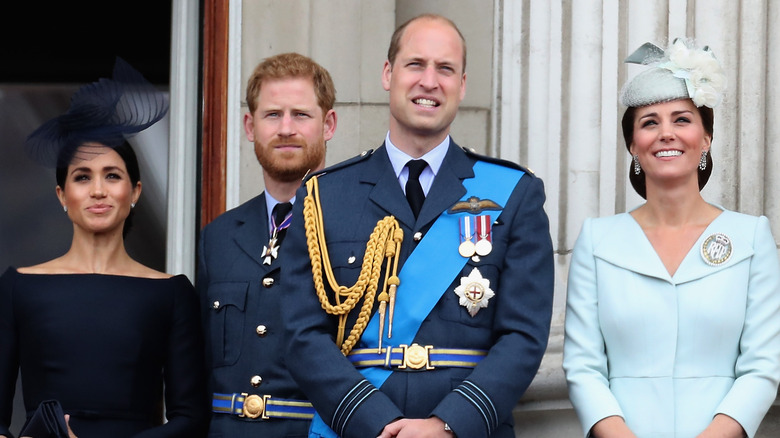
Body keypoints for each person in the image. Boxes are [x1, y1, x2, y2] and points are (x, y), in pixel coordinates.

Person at [280, 14, 554, 438]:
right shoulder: (324, 197)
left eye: (445, 69)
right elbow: (301, 334)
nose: (429, 81)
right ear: (388, 74)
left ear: (462, 85)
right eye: (415, 64)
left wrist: (448, 424)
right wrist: (374, 422)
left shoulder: (514, 193)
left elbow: (523, 336)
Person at [563, 39, 780, 438]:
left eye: (682, 119)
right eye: (649, 122)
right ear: (633, 145)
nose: (666, 133)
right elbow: (583, 366)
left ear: (706, 138)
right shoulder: (597, 241)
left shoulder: (751, 237)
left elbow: (762, 365)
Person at [0, 58, 208, 438]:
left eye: (112, 175)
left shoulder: (172, 293)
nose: (98, 190)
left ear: (135, 192)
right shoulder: (18, 287)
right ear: (63, 195)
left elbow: (191, 419)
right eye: (82, 177)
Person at [196, 52, 337, 437]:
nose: (286, 128)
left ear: (329, 124)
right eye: (273, 115)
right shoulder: (219, 237)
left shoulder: (361, 229)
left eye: (301, 115)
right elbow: (200, 372)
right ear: (249, 125)